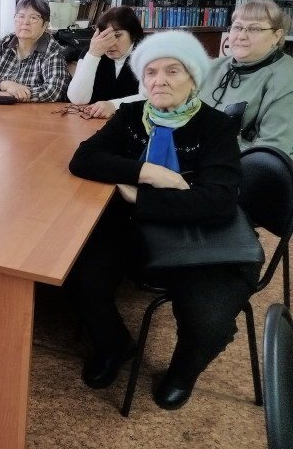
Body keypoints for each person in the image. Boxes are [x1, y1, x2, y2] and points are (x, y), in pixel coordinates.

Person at [63, 30, 257, 411]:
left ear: (193, 79)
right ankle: (115, 346)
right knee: (79, 275)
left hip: (199, 236)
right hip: (133, 225)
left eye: (172, 71)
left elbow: (218, 202)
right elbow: (83, 159)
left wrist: (140, 195)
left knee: (208, 316)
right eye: (150, 72)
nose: (159, 81)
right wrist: (151, 173)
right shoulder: (131, 115)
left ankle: (183, 372)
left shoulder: (216, 126)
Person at [199, 0, 293, 156]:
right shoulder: (211, 67)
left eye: (254, 29)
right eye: (237, 27)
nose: (241, 36)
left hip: (244, 164)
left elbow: (272, 150)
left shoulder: (286, 79)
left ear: (276, 36)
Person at [0, 0, 70, 102]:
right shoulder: (3, 44)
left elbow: (55, 90)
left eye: (33, 18)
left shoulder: (52, 50)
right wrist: (4, 84)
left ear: (45, 25)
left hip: (32, 112)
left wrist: (7, 96)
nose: (25, 22)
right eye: (21, 16)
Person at [66, 6, 145, 118]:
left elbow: (148, 97)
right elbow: (77, 99)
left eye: (117, 35)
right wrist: (93, 55)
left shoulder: (146, 56)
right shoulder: (90, 53)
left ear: (133, 35)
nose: (109, 43)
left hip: (132, 121)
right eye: (104, 36)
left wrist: (113, 105)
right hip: (91, 121)